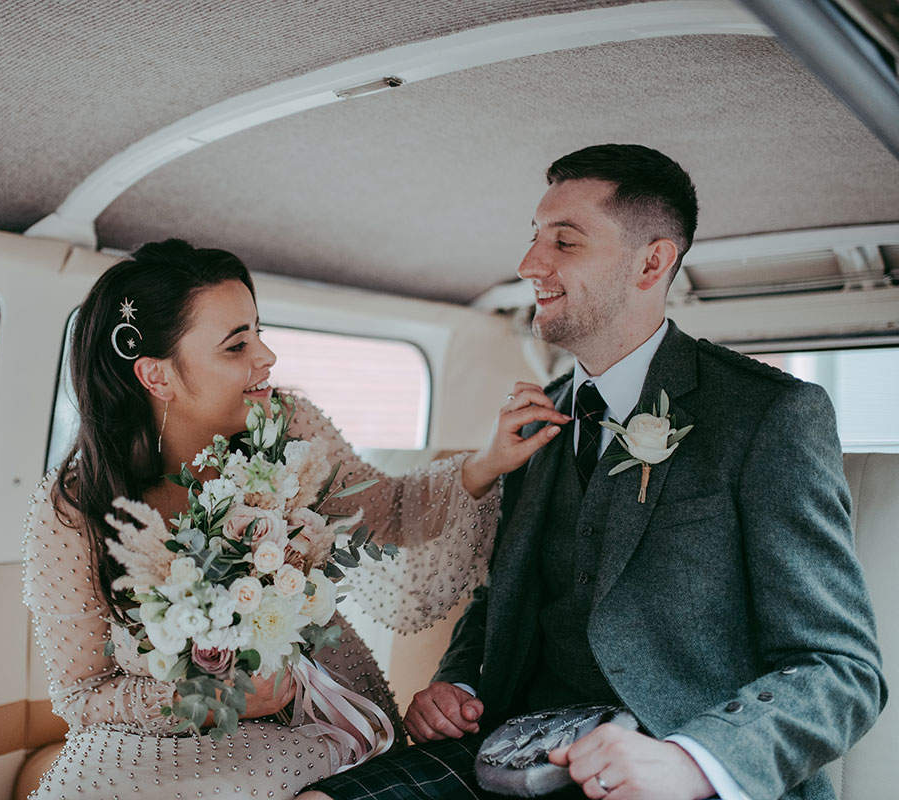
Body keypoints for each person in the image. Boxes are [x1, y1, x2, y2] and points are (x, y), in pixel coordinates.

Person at [299, 144, 886, 800]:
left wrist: (693, 761)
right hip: (513, 752)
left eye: (565, 242)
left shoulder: (768, 416)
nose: (529, 265)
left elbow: (842, 670)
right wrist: (458, 684)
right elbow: (500, 593)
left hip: (670, 767)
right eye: (533, 240)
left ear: (652, 262)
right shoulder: (533, 419)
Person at [21, 238, 565, 799]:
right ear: (157, 377)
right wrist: (211, 699)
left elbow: (388, 513)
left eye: (259, 332)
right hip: (154, 734)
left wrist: (487, 460)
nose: (267, 357)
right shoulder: (72, 511)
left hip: (309, 715)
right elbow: (84, 693)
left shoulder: (286, 426)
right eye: (236, 346)